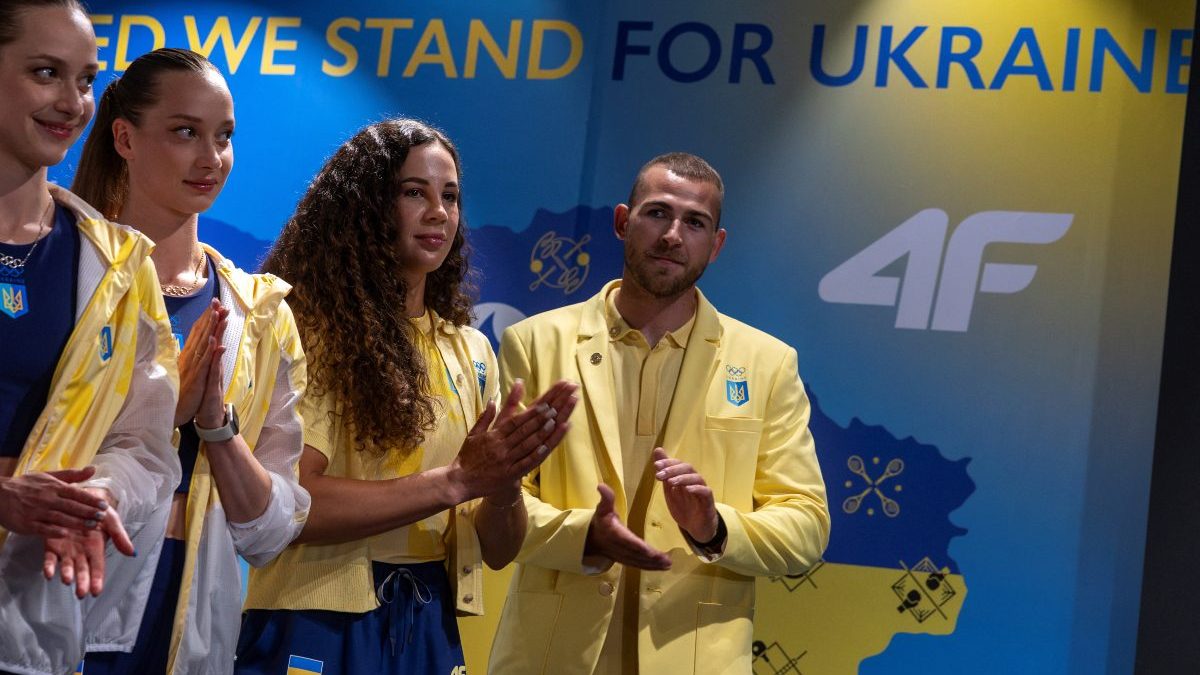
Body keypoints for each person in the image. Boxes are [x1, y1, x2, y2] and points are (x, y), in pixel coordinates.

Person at [237, 118, 578, 674]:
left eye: (450, 197)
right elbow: (290, 502)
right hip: (317, 616)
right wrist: (457, 480)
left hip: (430, 619)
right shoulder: (314, 333)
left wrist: (504, 483)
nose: (438, 212)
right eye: (414, 192)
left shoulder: (471, 351)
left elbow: (498, 550)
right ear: (366, 206)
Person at [488, 153, 831, 674]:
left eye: (695, 222)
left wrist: (714, 527)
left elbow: (806, 527)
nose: (673, 235)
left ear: (715, 246)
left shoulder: (768, 364)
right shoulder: (534, 343)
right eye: (657, 214)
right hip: (550, 657)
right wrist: (582, 535)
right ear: (623, 221)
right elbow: (492, 500)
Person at [70, 48, 311, 674]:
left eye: (224, 137)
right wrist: (158, 420)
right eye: (186, 133)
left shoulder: (259, 312)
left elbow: (269, 532)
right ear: (124, 136)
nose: (212, 159)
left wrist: (217, 430)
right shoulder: (71, 274)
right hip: (66, 588)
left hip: (196, 618)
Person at [0, 2, 180, 674]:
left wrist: (96, 496)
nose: (73, 102)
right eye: (47, 72)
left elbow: (145, 444)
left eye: (85, 80)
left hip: (33, 628)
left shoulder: (120, 265)